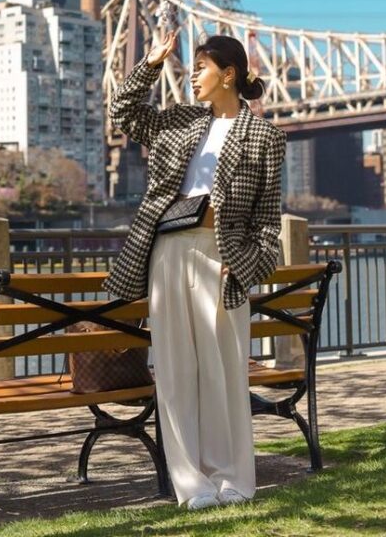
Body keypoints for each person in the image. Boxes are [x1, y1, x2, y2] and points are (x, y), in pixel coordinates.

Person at [106, 32, 287, 511]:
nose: (191, 79)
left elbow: (268, 223)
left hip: (224, 260)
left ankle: (232, 478)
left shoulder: (266, 137)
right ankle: (193, 485)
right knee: (175, 371)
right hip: (167, 253)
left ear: (228, 74)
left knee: (224, 371)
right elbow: (123, 114)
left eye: (201, 69)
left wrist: (245, 267)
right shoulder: (179, 122)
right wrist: (148, 65)